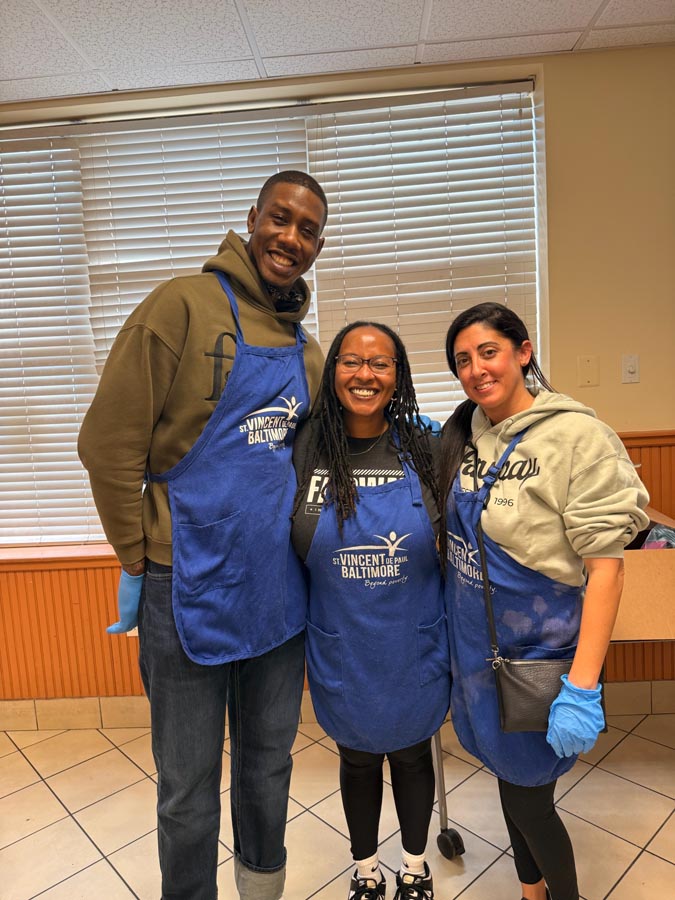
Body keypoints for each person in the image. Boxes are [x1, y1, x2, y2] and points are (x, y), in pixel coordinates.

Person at [78, 171, 327, 900]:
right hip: (185, 584)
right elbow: (106, 446)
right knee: (187, 789)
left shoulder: (305, 351)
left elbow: (308, 467)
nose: (290, 238)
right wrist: (137, 555)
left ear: (318, 245)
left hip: (278, 596)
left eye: (307, 229)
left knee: (268, 765)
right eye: (279, 219)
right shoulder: (179, 307)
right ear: (251, 219)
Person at [439, 302, 649, 900]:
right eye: (462, 360)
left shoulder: (578, 437)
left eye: (488, 352)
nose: (476, 370)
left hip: (537, 655)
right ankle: (531, 894)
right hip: (479, 655)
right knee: (509, 780)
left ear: (523, 352)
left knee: (529, 798)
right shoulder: (467, 432)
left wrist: (581, 689)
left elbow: (606, 572)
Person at [292, 322, 450, 900]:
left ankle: (414, 865)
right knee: (357, 759)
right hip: (343, 642)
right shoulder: (305, 447)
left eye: (380, 363)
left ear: (398, 375)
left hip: (411, 640)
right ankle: (366, 869)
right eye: (352, 361)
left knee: (411, 755)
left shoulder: (425, 446)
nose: (365, 375)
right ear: (333, 369)